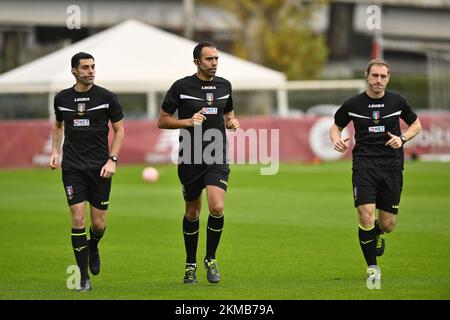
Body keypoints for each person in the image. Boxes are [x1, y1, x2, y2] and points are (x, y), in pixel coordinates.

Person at [330, 58, 421, 286]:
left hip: (391, 167)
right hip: (364, 166)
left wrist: (402, 139)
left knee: (388, 224)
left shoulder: (398, 101)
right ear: (366, 76)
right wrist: (336, 139)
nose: (378, 80)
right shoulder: (353, 104)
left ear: (388, 78)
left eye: (383, 76)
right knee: (365, 215)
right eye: (375, 76)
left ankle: (377, 231)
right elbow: (336, 125)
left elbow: (416, 125)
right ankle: (372, 268)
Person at [158, 41, 240, 284]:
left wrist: (232, 123)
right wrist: (186, 121)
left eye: (216, 59)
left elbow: (228, 115)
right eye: (209, 59)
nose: (214, 63)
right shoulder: (181, 87)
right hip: (190, 157)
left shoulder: (225, 86)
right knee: (192, 212)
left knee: (216, 207)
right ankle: (190, 264)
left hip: (217, 155)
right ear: (197, 62)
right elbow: (162, 120)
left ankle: (211, 259)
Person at [50, 52, 125, 292]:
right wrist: (55, 151)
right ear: (74, 71)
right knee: (78, 218)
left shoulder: (106, 97)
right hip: (72, 168)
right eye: (85, 67)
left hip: (100, 168)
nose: (91, 71)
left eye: (93, 67)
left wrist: (112, 160)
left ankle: (93, 247)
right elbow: (59, 125)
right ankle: (83, 278)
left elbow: (120, 130)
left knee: (99, 224)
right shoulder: (62, 98)